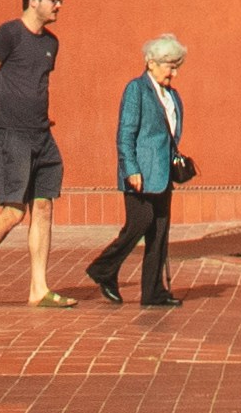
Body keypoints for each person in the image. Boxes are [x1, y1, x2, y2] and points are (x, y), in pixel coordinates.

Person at [0, 0, 74, 308]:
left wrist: (35, 117)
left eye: (59, 0)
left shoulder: (51, 43)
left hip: (42, 135)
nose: (58, 5)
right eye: (53, 0)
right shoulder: (7, 34)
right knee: (13, 212)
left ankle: (39, 288)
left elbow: (32, 87)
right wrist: (0, 114)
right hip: (11, 136)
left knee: (43, 207)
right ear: (33, 1)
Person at [85, 30, 188, 311]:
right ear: (152, 63)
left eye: (177, 67)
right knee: (139, 223)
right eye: (170, 66)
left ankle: (153, 291)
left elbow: (169, 135)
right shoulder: (136, 89)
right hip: (140, 173)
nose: (174, 73)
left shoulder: (172, 95)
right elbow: (125, 133)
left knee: (159, 231)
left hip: (163, 174)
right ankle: (103, 269)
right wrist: (130, 168)